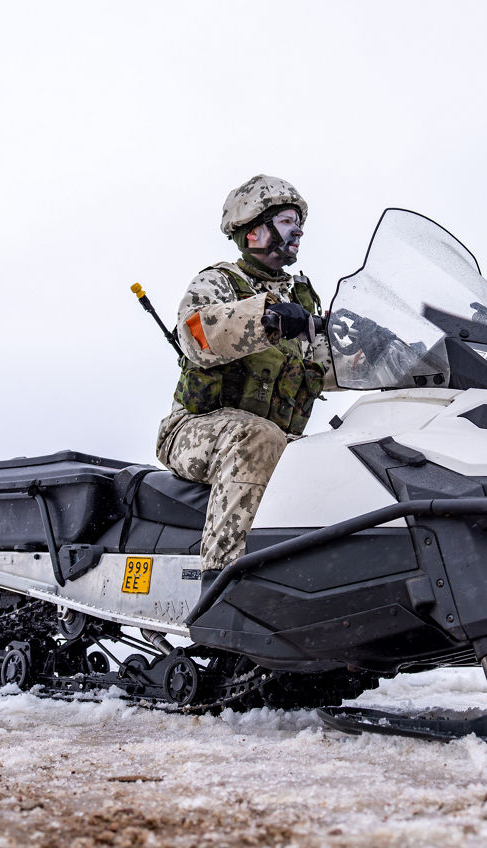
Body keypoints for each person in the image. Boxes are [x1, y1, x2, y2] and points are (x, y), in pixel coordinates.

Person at [155, 175, 333, 580]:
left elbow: (328, 366)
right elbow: (195, 335)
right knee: (258, 436)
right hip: (193, 430)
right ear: (254, 230)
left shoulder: (301, 299)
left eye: (298, 221)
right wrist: (266, 319)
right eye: (287, 220)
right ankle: (222, 584)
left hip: (276, 439)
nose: (299, 229)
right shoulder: (218, 282)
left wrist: (403, 352)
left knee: (342, 455)